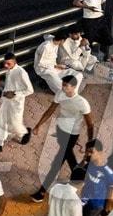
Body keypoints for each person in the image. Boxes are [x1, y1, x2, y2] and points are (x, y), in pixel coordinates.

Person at [31, 75, 95, 203]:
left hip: (72, 133)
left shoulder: (82, 103)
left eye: (66, 85)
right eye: (63, 84)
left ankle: (42, 192)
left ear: (74, 87)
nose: (63, 87)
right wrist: (38, 125)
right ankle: (81, 178)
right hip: (61, 130)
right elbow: (50, 111)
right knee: (69, 156)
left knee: (57, 162)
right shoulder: (60, 94)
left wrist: (90, 143)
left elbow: (90, 125)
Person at [0, 51, 34, 152]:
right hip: (7, 100)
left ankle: (24, 133)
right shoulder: (9, 70)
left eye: (8, 64)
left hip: (17, 102)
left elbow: (30, 90)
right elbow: (8, 85)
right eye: (5, 63)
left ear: (15, 62)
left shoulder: (22, 73)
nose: (6, 66)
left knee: (15, 123)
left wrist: (14, 94)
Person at [81, 141, 113, 216]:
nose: (88, 154)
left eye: (91, 152)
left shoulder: (107, 172)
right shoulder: (88, 165)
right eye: (87, 151)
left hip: (95, 206)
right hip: (83, 201)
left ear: (100, 153)